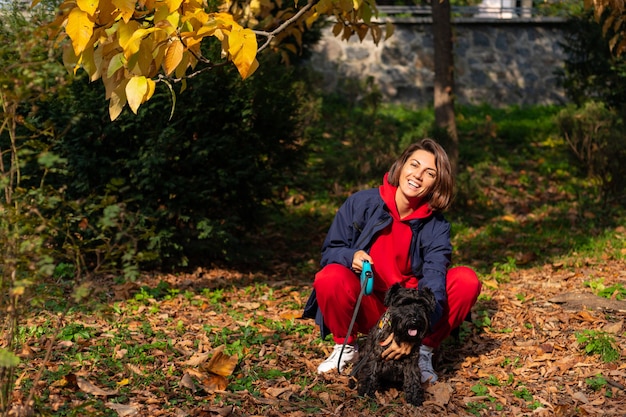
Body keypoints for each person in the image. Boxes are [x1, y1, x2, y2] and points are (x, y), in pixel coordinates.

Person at [302, 138, 482, 382]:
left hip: (411, 309)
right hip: (368, 303)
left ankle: (422, 351)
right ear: (401, 165)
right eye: (414, 165)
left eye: (429, 173)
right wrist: (351, 255)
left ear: (436, 184)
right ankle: (346, 347)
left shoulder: (437, 226)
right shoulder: (361, 203)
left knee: (465, 280)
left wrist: (414, 334)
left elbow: (434, 282)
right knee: (330, 276)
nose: (418, 175)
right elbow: (331, 251)